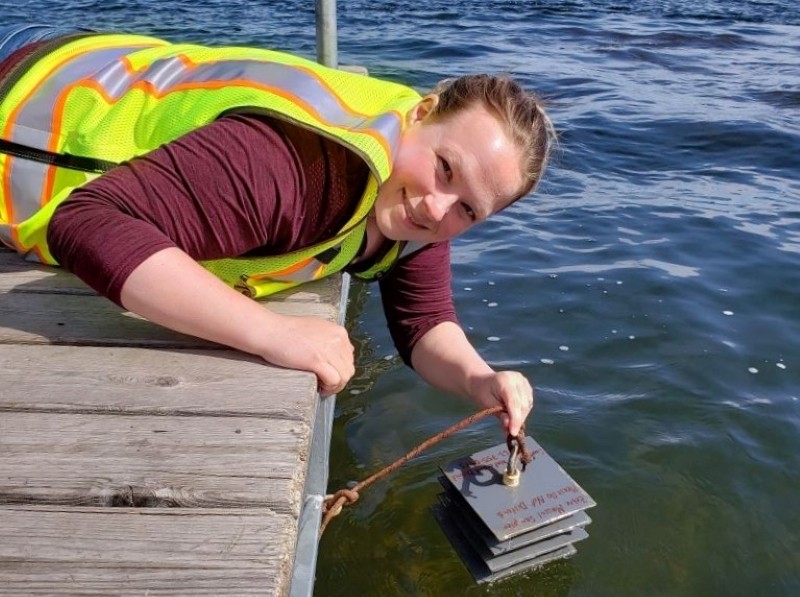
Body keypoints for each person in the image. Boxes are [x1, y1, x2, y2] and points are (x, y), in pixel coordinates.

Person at [0, 25, 555, 437]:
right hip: (19, 86)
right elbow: (89, 222)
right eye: (445, 169)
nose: (438, 210)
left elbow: (423, 321)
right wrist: (272, 332)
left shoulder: (415, 207)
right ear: (421, 112)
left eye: (469, 211)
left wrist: (481, 381)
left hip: (78, 55)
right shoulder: (296, 169)